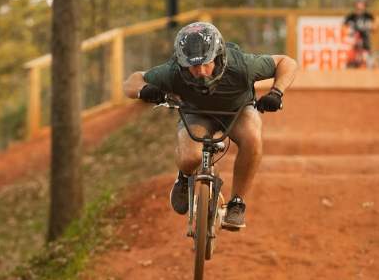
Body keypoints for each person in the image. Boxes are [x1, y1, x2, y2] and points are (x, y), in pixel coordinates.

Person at [122, 22, 298, 230]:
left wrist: (276, 92)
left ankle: (237, 203)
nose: (202, 71)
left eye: (207, 63)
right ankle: (184, 177)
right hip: (196, 114)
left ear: (219, 56)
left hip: (237, 112)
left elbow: (287, 62)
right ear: (182, 63)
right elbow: (131, 82)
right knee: (190, 157)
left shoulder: (241, 65)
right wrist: (144, 90)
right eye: (194, 66)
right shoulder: (172, 72)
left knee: (252, 137)